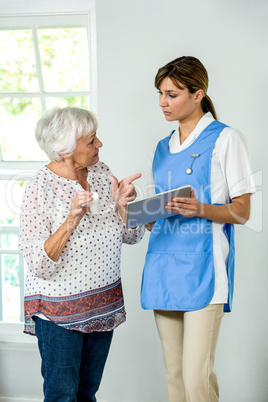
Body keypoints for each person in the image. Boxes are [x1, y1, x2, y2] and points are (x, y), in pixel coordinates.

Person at [141, 56, 255, 402]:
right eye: (160, 93)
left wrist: (201, 209)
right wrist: (135, 208)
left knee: (196, 380)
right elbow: (158, 219)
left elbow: (243, 211)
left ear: (198, 94)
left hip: (204, 270)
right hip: (163, 266)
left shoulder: (226, 139)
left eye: (172, 94)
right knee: (174, 378)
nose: (163, 101)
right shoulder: (163, 147)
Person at [19, 106, 144, 401]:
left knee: (87, 394)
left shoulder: (102, 173)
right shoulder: (38, 188)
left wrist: (125, 207)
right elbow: (38, 263)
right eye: (91, 140)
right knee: (63, 395)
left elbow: (131, 236)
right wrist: (71, 220)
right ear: (64, 150)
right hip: (58, 316)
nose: (99, 144)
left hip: (103, 308)